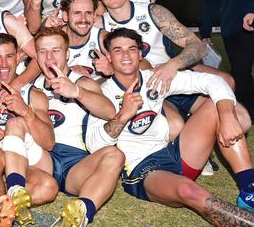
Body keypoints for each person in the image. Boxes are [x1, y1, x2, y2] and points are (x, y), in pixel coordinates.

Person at [86, 28, 254, 225]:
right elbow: (94, 145)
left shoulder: (152, 78)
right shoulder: (102, 93)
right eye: (118, 50)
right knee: (188, 191)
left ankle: (249, 190)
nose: (125, 55)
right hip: (144, 171)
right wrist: (123, 115)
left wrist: (226, 115)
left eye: (132, 49)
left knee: (216, 106)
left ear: (140, 54)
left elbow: (213, 81)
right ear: (108, 56)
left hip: (175, 153)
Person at [96, 0, 250, 129]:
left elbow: (197, 46)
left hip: (171, 77)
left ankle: (199, 131)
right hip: (141, 91)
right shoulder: (97, 25)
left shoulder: (153, 12)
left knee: (241, 120)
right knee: (173, 125)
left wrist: (172, 65)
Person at [1, 27, 120, 227]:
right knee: (15, 123)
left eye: (55, 51)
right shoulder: (31, 87)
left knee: (115, 155)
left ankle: (79, 214)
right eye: (42, 52)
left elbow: (109, 112)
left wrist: (77, 92)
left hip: (76, 164)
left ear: (67, 54)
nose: (49, 58)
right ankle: (15, 192)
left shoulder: (82, 82)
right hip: (41, 159)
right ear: (35, 56)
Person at [0, 33, 51, 227]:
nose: (4, 64)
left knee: (49, 187)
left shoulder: (35, 95)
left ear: (18, 57)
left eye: (9, 56)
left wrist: (25, 111)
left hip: (18, 162)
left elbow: (49, 142)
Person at [201, 0, 254, 114]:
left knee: (240, 71)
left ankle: (246, 110)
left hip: (251, 28)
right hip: (230, 30)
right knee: (241, 72)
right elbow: (211, 4)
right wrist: (205, 31)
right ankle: (248, 107)